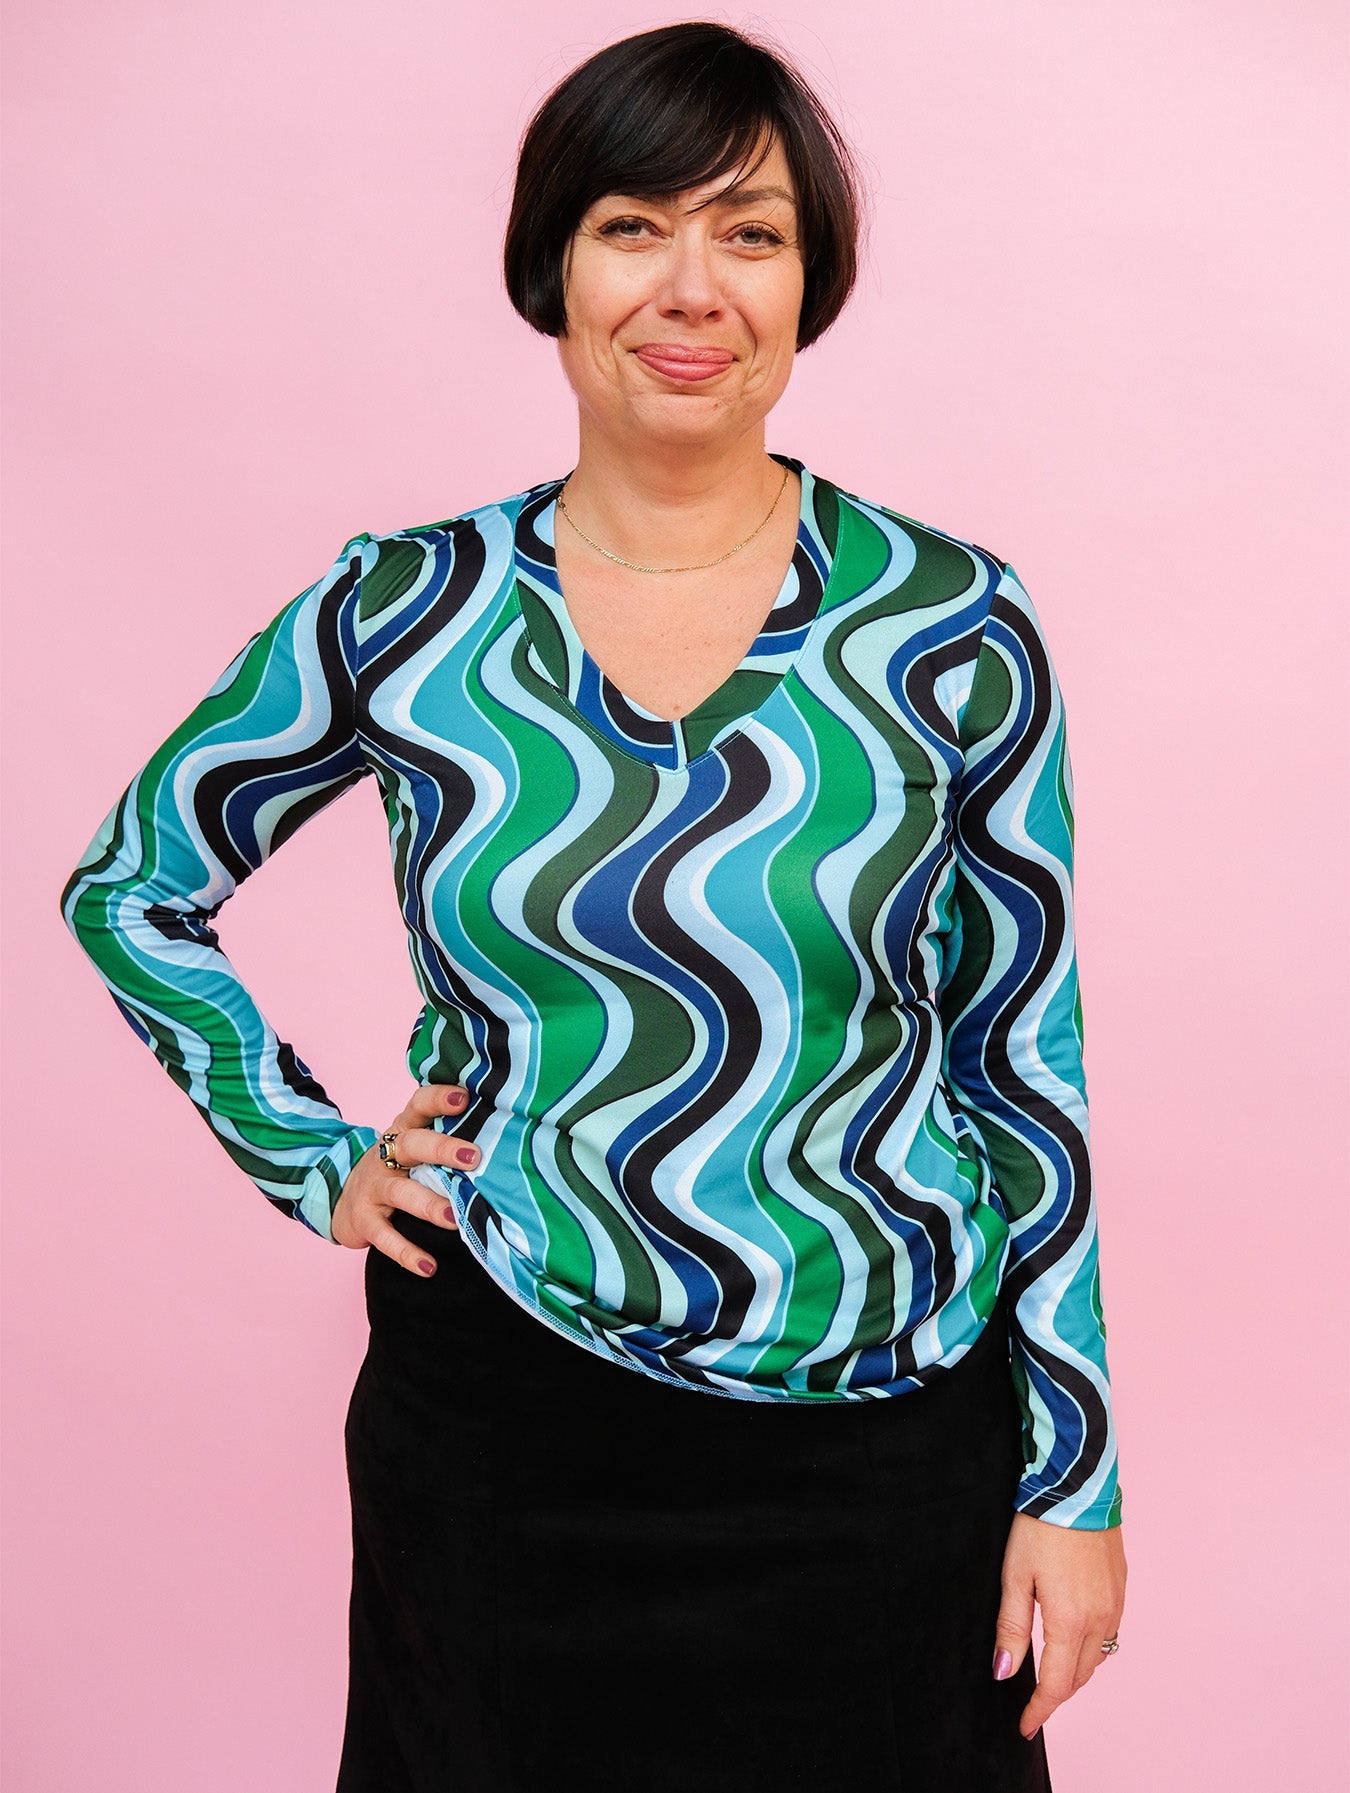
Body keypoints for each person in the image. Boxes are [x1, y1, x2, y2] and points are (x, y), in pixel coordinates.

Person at [59, 20, 1127, 1792]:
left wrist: (1074, 1481)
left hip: (883, 1440)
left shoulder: (947, 621)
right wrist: (313, 1157)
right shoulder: (407, 607)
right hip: (505, 1432)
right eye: (633, 226)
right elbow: (133, 887)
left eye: (750, 232)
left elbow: (1024, 1059)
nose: (691, 287)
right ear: (550, 264)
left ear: (808, 282)